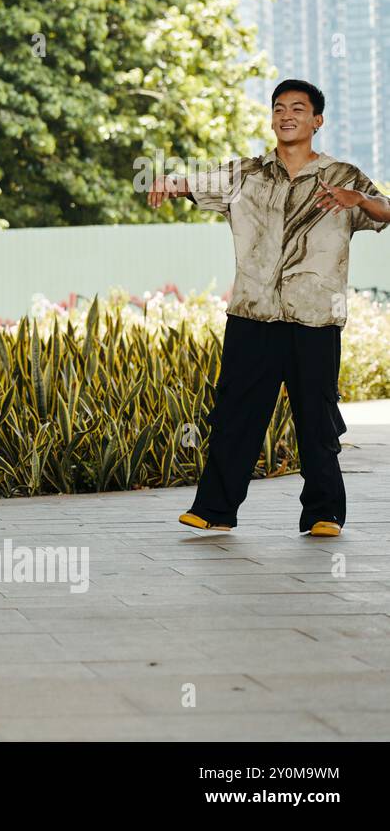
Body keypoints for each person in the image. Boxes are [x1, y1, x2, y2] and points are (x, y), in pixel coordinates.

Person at [149, 78, 390, 537]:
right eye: (279, 108)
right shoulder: (247, 173)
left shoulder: (341, 176)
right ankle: (214, 509)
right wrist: (169, 181)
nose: (286, 115)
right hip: (252, 315)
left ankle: (324, 513)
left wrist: (359, 199)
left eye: (298, 108)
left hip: (314, 318)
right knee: (235, 414)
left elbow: (386, 209)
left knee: (316, 419)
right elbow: (194, 182)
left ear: (317, 120)